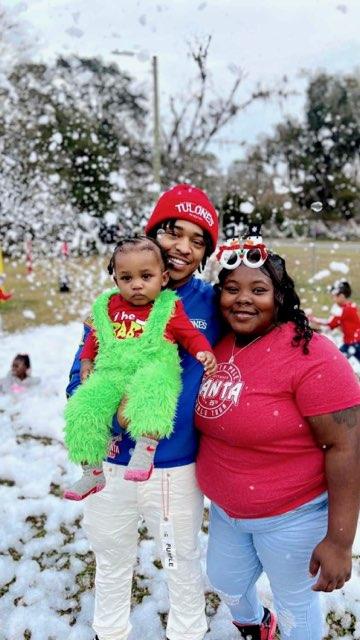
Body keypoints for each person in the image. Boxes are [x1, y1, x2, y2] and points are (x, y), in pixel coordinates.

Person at [66, 183, 221, 640]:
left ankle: (187, 632)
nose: (183, 248)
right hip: (113, 465)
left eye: (198, 241)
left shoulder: (211, 302)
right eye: (174, 232)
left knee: (180, 560)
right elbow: (80, 375)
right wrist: (112, 413)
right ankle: (109, 631)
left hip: (174, 468)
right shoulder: (113, 304)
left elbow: (259, 324)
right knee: (111, 558)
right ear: (154, 234)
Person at [195, 229, 360, 640]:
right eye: (231, 288)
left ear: (280, 297)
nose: (243, 298)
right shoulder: (217, 343)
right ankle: (256, 626)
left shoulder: (311, 354)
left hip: (294, 515)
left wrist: (340, 542)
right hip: (227, 513)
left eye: (259, 289)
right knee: (227, 583)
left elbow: (348, 445)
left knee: (294, 603)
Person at [64, 235, 216, 498]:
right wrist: (87, 360)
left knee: (155, 388)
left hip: (151, 366)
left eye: (146, 277)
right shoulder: (108, 306)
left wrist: (203, 351)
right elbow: (97, 337)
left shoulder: (168, 307)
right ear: (116, 280)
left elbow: (190, 334)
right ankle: (92, 472)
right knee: (82, 407)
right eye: (127, 278)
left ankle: (146, 447)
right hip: (113, 372)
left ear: (163, 278)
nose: (136, 285)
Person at [310, 279, 360, 363]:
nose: (333, 299)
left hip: (353, 343)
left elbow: (331, 324)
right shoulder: (351, 306)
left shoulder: (345, 310)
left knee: (336, 361)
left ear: (342, 296)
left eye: (334, 296)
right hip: (354, 342)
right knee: (338, 360)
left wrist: (313, 319)